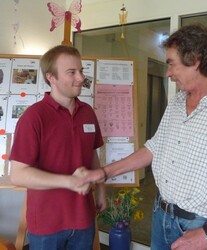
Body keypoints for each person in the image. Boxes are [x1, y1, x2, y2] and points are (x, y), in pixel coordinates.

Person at [82, 24, 207, 250]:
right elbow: (153, 149)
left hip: (200, 225)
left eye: (172, 63)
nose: (168, 72)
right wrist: (104, 172)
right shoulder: (178, 102)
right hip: (160, 215)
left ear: (196, 60)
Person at [9, 45, 106, 250]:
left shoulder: (87, 112)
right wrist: (69, 181)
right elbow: (18, 175)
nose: (80, 78)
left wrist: (101, 190)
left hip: (83, 218)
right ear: (51, 77)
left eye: (81, 71)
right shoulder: (33, 118)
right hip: (46, 223)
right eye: (72, 72)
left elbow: (91, 153)